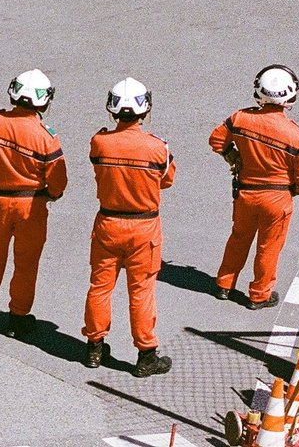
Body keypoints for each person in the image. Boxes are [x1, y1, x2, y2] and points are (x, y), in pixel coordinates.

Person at [82, 78, 175, 379]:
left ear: (112, 110)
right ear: (144, 110)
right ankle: (146, 355)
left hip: (108, 223)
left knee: (100, 286)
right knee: (142, 292)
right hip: (143, 227)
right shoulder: (157, 147)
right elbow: (167, 179)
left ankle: (94, 346)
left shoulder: (100, 142)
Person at [0, 69, 67, 337]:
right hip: (32, 206)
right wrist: (52, 194)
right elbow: (57, 180)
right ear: (43, 101)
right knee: (26, 262)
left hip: (0, 201)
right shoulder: (45, 135)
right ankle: (18, 317)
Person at [209, 65, 299, 309]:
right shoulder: (295, 135)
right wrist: (296, 188)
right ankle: (260, 295)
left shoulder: (240, 119)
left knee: (238, 238)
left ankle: (224, 284)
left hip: (246, 193)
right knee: (269, 247)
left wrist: (232, 156)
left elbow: (216, 139)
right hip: (277, 198)